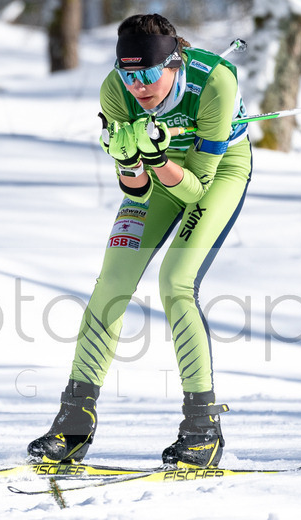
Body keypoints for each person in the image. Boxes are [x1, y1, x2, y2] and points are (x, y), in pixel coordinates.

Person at [28, 13, 251, 469]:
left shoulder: (215, 83)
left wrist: (153, 155)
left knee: (176, 282)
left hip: (217, 170)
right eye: (129, 75)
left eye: (149, 73)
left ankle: (202, 428)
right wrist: (132, 161)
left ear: (174, 63)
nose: (138, 86)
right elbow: (138, 192)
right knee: (112, 282)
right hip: (161, 166)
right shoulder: (116, 92)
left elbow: (196, 189)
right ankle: (73, 423)